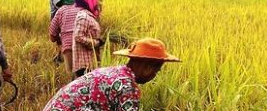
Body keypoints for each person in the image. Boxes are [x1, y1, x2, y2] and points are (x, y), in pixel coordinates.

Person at [43, 38, 181, 111]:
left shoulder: (114, 72)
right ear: (147, 66)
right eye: (156, 71)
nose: (154, 75)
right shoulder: (127, 87)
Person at [72, 0, 106, 78]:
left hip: (89, 62)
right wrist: (96, 43)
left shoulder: (89, 15)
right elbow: (78, 36)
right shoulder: (83, 16)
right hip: (84, 65)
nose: (98, 0)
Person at [49, 0, 79, 75]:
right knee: (83, 75)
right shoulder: (83, 9)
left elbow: (52, 34)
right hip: (83, 45)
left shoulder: (61, 11)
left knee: (71, 73)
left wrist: (56, 39)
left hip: (68, 46)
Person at [49, 0, 72, 64]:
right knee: (61, 42)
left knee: (60, 42)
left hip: (61, 21)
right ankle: (59, 60)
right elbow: (61, 7)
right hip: (57, 21)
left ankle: (58, 58)